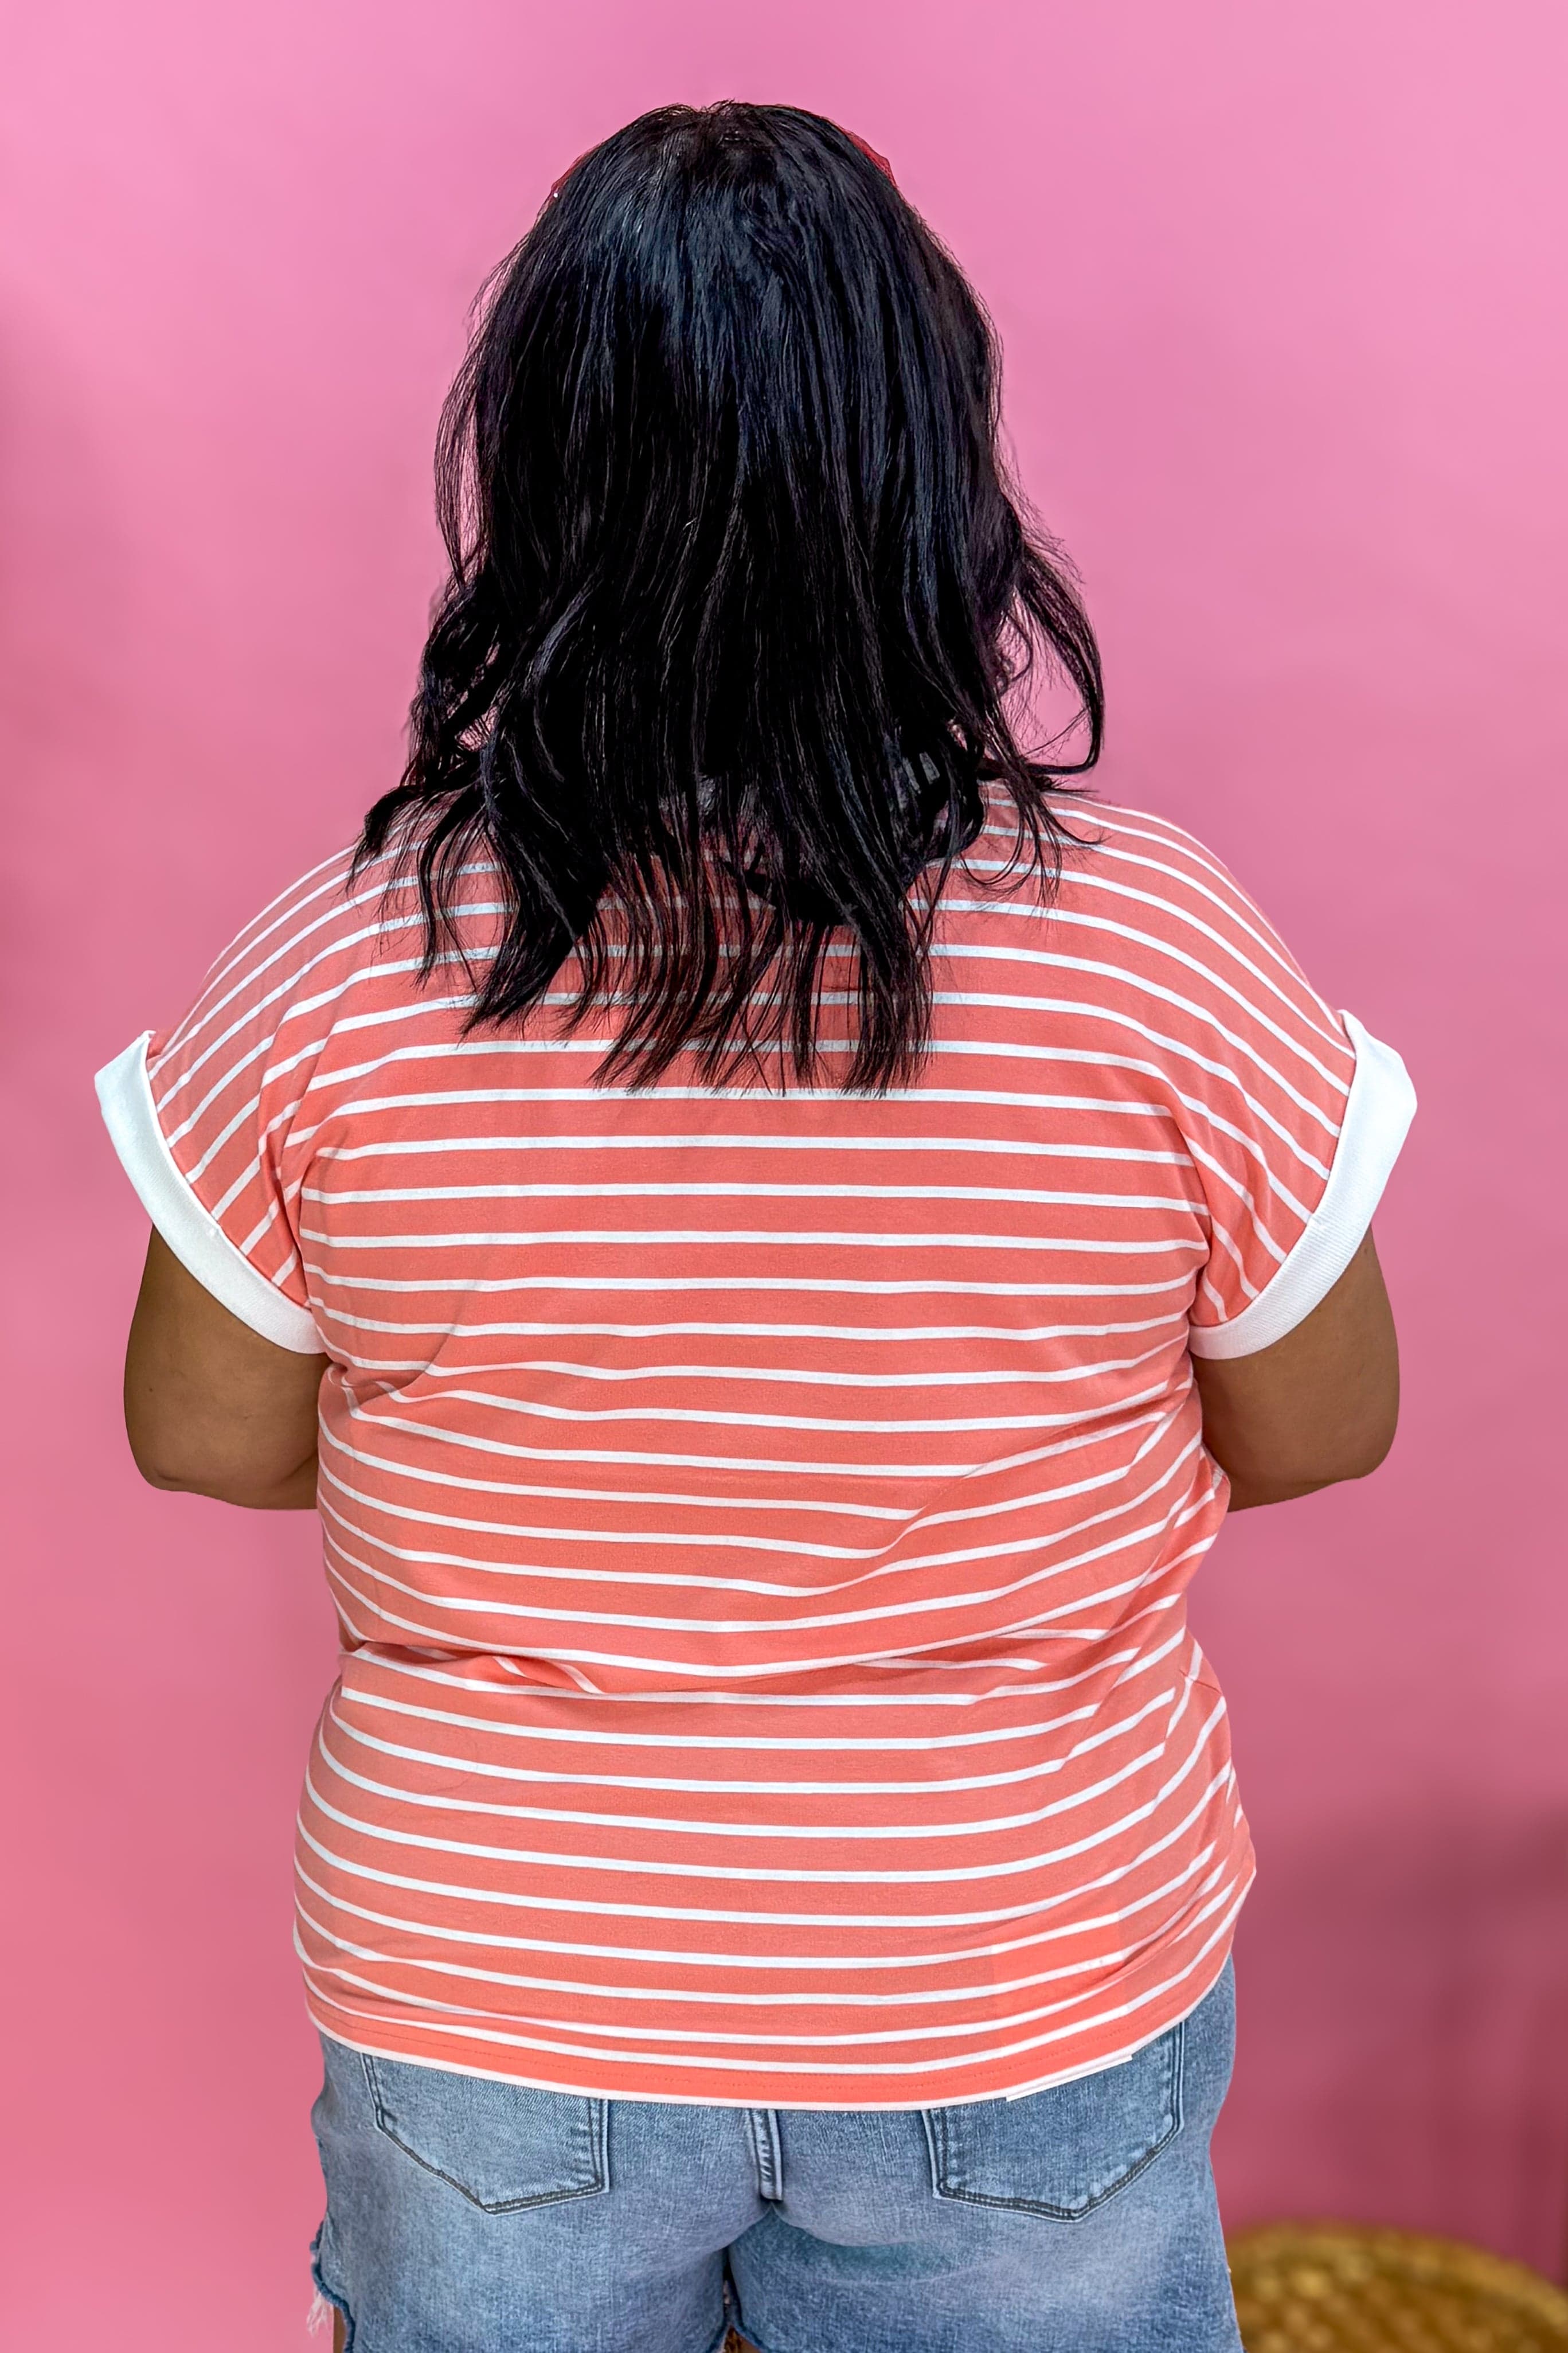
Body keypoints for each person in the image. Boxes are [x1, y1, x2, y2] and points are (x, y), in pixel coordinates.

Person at [97, 102, 1414, 2353]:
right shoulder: (1156, 949)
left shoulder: (343, 961)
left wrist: (557, 1447)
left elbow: (206, 1433)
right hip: (1021, 1970)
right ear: (932, 482)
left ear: (537, 487)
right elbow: (1323, 1426)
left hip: (499, 1985)